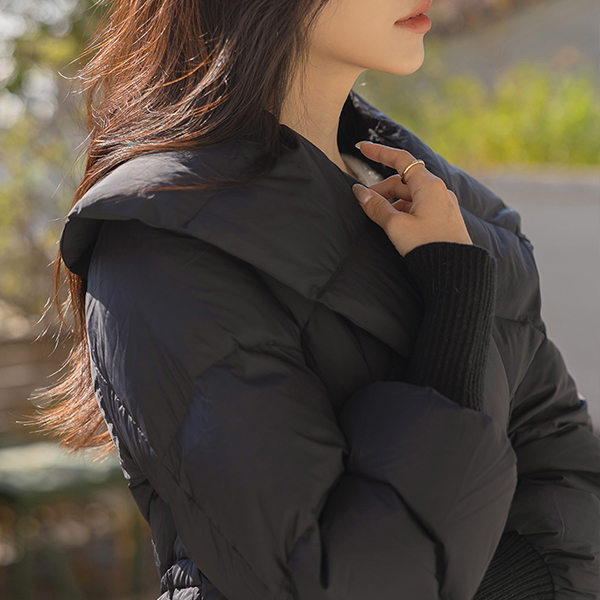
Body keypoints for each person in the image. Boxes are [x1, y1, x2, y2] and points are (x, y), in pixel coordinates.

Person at [31, 0, 600, 599]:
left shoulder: (450, 206)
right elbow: (339, 581)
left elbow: (577, 491)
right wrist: (455, 306)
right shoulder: (161, 240)